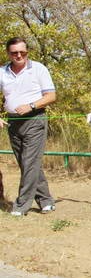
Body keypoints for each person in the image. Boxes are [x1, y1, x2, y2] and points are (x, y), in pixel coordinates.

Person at [0, 37, 57, 216]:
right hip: (13, 122)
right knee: (26, 164)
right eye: (14, 52)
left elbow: (51, 96)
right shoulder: (2, 71)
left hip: (35, 120)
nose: (19, 55)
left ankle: (21, 205)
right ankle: (46, 200)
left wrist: (31, 105)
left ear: (27, 52)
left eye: (22, 52)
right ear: (8, 53)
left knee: (30, 162)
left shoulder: (38, 69)